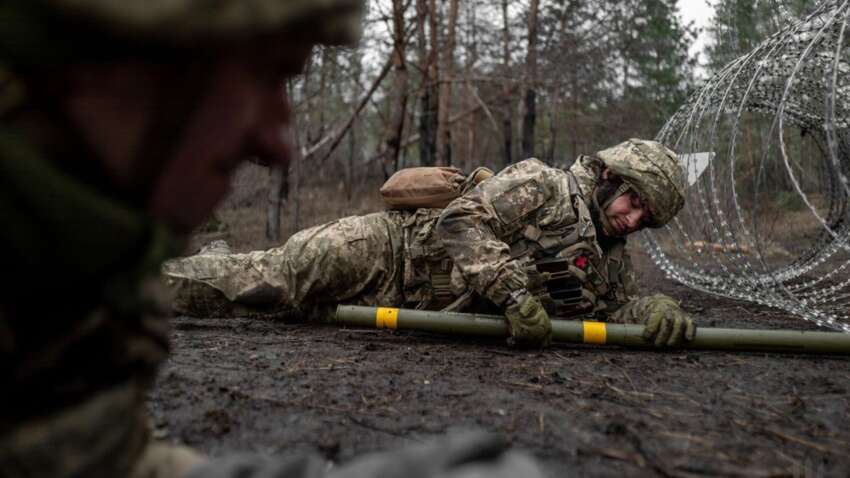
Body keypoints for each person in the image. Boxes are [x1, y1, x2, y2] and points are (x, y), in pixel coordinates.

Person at [0, 2, 543, 478]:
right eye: (258, 76)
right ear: (104, 64)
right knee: (264, 278)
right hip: (367, 249)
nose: (279, 143)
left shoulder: (59, 282)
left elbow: (81, 461)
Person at [165, 138, 696, 348]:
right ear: (609, 176)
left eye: (646, 217)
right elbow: (461, 221)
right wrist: (513, 294)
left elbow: (618, 306)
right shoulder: (545, 186)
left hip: (405, 308)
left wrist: (657, 307)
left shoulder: (609, 257)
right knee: (271, 281)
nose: (633, 219)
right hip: (386, 251)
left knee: (283, 315)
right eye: (633, 201)